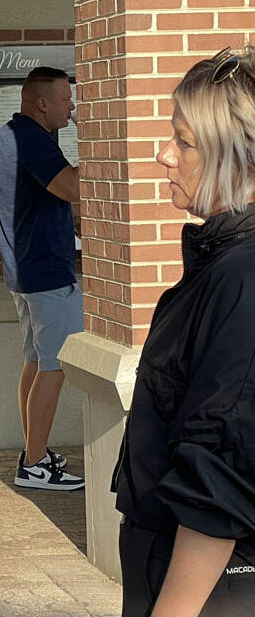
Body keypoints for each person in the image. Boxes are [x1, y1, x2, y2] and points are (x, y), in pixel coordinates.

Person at [113, 47, 255, 616]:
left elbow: (222, 467)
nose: (163, 155)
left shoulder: (243, 279)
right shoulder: (223, 265)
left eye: (186, 142)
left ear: (240, 161)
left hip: (209, 580)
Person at [0, 66, 85, 491]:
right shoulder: (31, 138)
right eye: (66, 100)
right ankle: (35, 463)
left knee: (35, 361)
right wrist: (100, 142)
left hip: (25, 271)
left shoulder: (11, 134)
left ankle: (36, 455)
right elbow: (72, 187)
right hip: (46, 270)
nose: (72, 107)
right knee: (55, 365)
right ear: (42, 102)